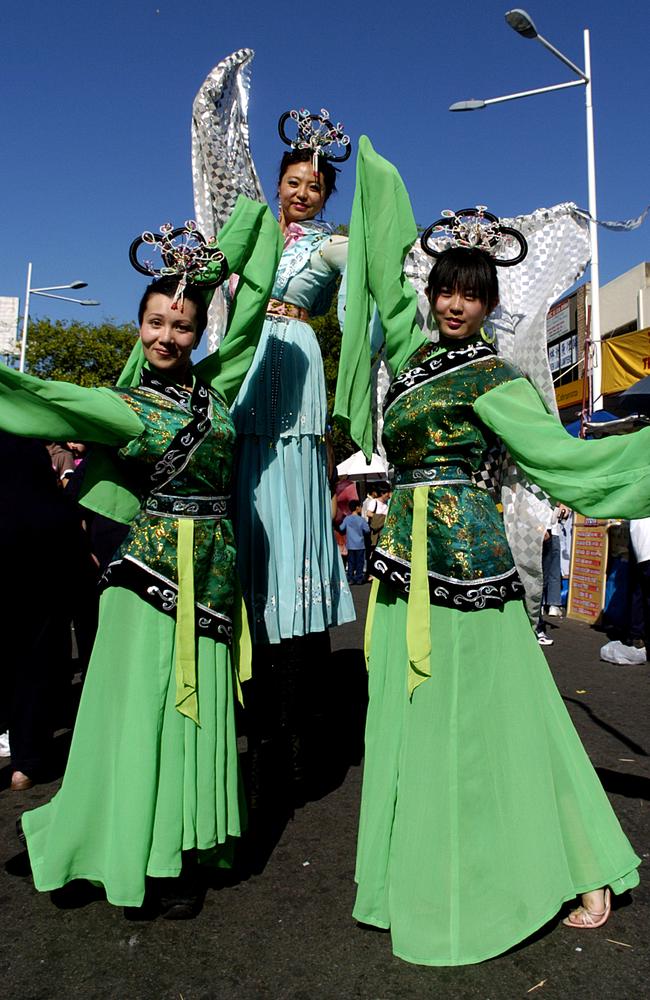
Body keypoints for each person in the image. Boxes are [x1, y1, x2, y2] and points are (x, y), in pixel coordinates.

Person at [335, 138, 649, 966]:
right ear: (430, 293)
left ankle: (587, 866)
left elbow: (569, 462)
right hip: (402, 569)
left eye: (472, 296)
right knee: (410, 719)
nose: (455, 306)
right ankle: (418, 867)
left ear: (489, 305)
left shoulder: (495, 380)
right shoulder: (406, 374)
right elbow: (375, 271)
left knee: (509, 713)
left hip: (469, 565)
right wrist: (371, 193)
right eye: (446, 291)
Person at [0, 199, 281, 913]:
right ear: (139, 328)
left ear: (195, 331)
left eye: (180, 324)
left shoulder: (217, 387)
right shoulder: (123, 404)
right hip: (148, 580)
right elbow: (39, 398)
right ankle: (137, 851)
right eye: (155, 322)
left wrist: (222, 262)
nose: (167, 333)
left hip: (213, 578)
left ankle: (185, 846)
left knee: (198, 715)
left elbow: (249, 325)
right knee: (140, 717)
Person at [228, 110, 356, 802]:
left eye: (315, 185)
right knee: (244, 494)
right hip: (242, 364)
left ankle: (300, 728)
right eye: (294, 180)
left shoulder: (329, 245)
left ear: (326, 196)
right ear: (277, 183)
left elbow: (375, 259)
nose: (302, 192)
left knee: (293, 506)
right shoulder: (248, 235)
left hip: (295, 364)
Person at [338, 501, 370, 585]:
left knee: (351, 563)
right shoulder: (361, 519)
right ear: (357, 508)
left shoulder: (347, 519)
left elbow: (341, 528)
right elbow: (367, 530)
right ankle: (359, 578)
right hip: (360, 545)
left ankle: (350, 578)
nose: (361, 508)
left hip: (350, 545)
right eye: (360, 506)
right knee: (360, 563)